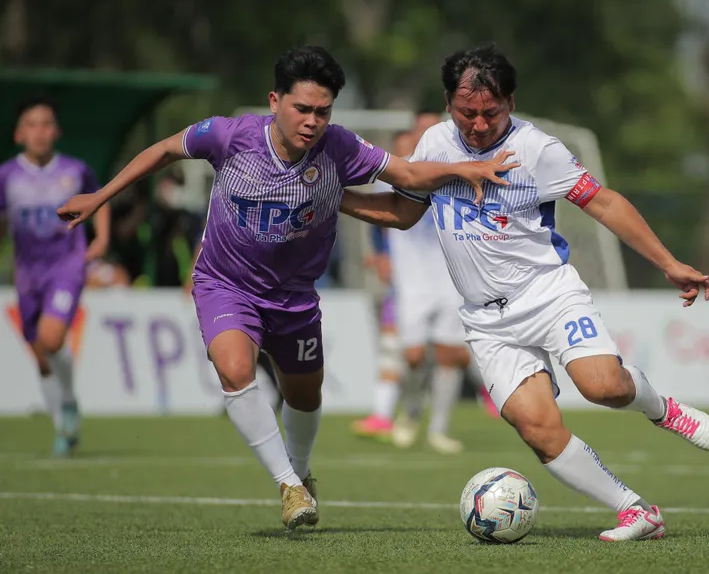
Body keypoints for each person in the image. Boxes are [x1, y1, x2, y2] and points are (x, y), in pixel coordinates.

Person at [57, 45, 517, 530]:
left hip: (294, 293)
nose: (313, 121)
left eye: (323, 111)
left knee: (305, 394)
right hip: (225, 284)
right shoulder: (228, 135)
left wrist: (465, 170)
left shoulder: (339, 146)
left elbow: (402, 173)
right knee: (234, 369)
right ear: (275, 101)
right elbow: (165, 149)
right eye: (302, 108)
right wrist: (100, 195)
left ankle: (301, 469)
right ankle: (288, 485)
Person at [338, 45, 709, 542]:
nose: (477, 125)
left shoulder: (537, 150)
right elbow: (404, 211)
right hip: (486, 320)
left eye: (490, 113)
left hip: (548, 295)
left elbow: (602, 203)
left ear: (511, 104)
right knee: (536, 426)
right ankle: (635, 511)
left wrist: (669, 263)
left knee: (603, 386)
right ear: (449, 103)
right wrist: (335, 197)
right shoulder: (433, 143)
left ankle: (661, 409)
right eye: (466, 112)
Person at [351, 120, 498, 454]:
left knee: (450, 355)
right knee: (414, 356)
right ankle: (412, 409)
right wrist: (380, 255)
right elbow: (380, 220)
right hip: (411, 283)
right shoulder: (394, 179)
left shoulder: (455, 175)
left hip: (451, 280)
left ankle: (439, 430)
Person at [0, 97, 111, 456]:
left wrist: (102, 238)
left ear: (57, 131)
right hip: (27, 272)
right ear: (19, 134)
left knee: (51, 337)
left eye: (46, 124)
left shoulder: (74, 170)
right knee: (40, 354)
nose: (40, 132)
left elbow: (100, 198)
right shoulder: (7, 176)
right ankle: (64, 417)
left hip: (66, 265)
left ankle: (65, 406)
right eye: (32, 124)